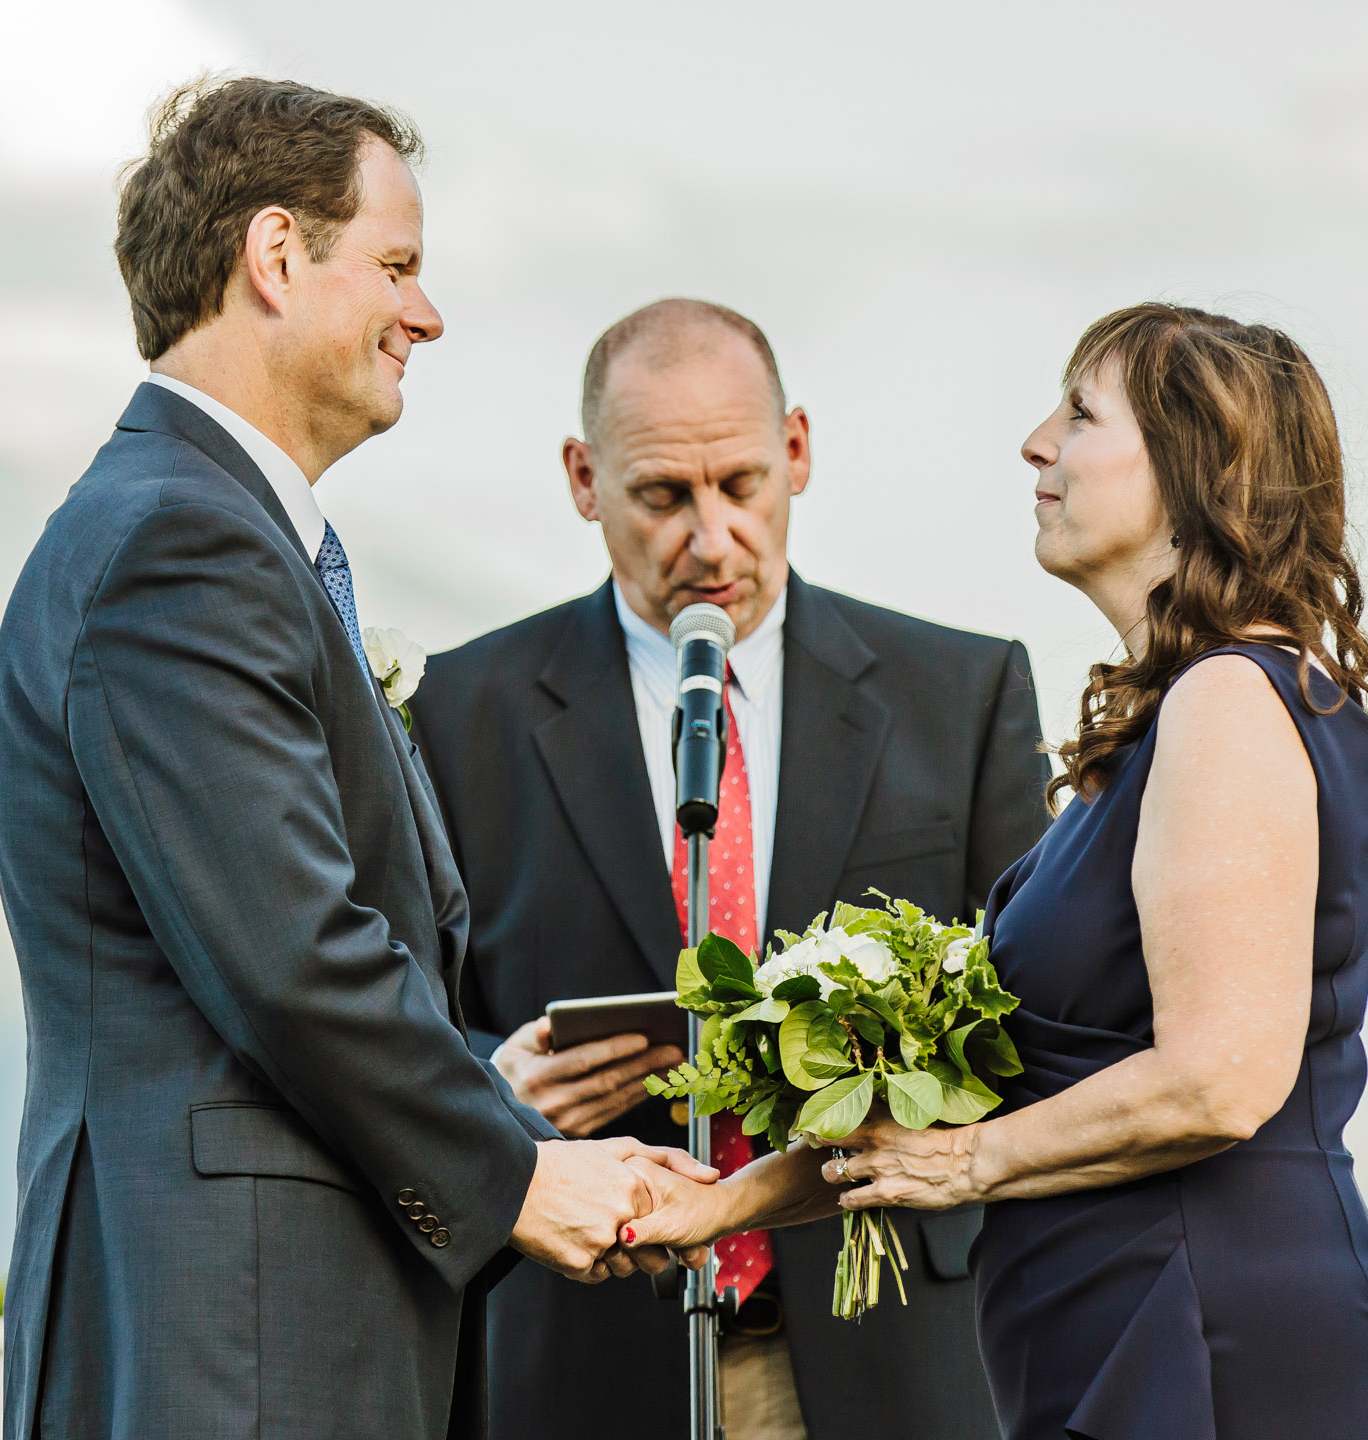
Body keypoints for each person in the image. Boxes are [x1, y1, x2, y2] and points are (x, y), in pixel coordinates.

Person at [0, 79, 708, 1440]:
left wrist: (510, 1111)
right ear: (275, 257)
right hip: (233, 1329)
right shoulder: (176, 546)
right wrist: (521, 1179)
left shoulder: (210, 531)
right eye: (397, 265)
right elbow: (292, 953)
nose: (426, 314)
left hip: (263, 1313)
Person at [625, 302, 1368, 1439]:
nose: (1035, 442)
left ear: (1198, 471)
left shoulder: (1234, 701)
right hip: (1113, 1322)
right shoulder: (1173, 721)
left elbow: (1221, 1081)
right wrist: (721, 1205)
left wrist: (970, 1166)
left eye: (1081, 413)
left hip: (1207, 1329)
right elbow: (992, 1091)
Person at [411, 298, 1051, 1440]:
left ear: (796, 451)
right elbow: (398, 1013)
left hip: (897, 1348)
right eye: (663, 496)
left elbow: (1035, 1017)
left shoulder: (961, 696)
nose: (711, 541)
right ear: (582, 478)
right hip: (581, 1357)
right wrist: (494, 1086)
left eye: (742, 485)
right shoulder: (461, 713)